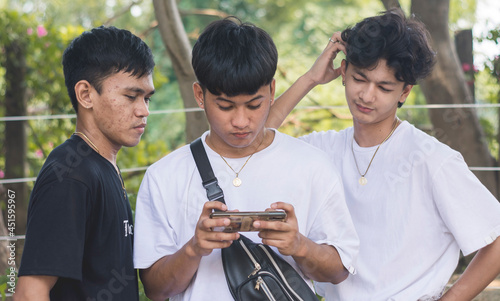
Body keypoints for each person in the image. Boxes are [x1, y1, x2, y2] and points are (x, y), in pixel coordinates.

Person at [266, 8, 500, 301]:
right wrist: (310, 79)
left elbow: (496, 240)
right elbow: (257, 141)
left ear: (404, 93)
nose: (366, 95)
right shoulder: (322, 150)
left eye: (384, 87)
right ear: (343, 73)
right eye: (360, 79)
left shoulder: (431, 159)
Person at [133, 17, 359, 300]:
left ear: (272, 92)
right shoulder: (164, 177)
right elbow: (155, 289)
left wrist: (299, 245)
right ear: (199, 95)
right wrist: (194, 249)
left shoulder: (312, 166)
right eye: (225, 106)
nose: (241, 121)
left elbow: (339, 271)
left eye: (254, 105)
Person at [14, 26, 155, 301]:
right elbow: (31, 292)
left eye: (147, 98)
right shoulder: (70, 174)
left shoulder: (101, 166)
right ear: (86, 95)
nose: (144, 110)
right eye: (131, 96)